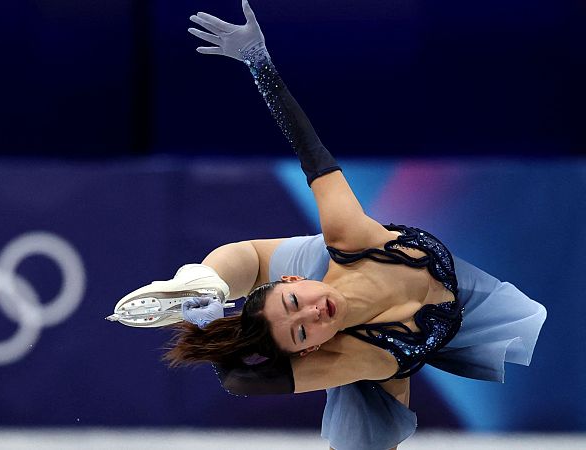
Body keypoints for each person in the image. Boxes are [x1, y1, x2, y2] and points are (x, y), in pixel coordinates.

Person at [115, 2, 546, 449]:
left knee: (251, 257)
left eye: (295, 301)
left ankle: (203, 283)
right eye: (302, 330)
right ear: (309, 350)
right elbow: (240, 380)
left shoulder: (352, 239)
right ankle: (211, 297)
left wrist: (259, 62)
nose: (313, 312)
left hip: (336, 265)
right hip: (396, 344)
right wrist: (206, 332)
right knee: (371, 438)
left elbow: (311, 151)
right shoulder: (361, 355)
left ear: (294, 281)